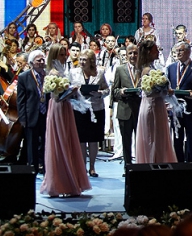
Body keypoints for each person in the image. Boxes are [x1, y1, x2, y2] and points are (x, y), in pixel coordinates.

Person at [39, 61, 91, 197]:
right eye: (61, 54)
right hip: (57, 109)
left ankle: (71, 180)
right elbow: (56, 98)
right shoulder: (51, 75)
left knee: (68, 141)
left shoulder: (64, 73)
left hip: (66, 109)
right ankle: (58, 183)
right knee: (59, 142)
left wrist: (72, 92)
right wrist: (68, 93)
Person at [135, 39, 176, 164]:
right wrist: (164, 91)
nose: (158, 52)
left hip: (157, 105)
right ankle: (153, 162)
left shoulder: (151, 67)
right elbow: (147, 91)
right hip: (151, 106)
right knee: (152, 137)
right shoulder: (147, 70)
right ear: (149, 52)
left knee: (158, 137)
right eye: (155, 50)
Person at [69, 49, 109, 177]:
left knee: (93, 139)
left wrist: (100, 94)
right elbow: (68, 90)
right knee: (81, 139)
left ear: (91, 61)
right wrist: (73, 92)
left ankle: (92, 167)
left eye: (84, 60)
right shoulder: (73, 72)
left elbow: (107, 89)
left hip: (96, 109)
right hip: (79, 109)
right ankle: (82, 167)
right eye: (80, 59)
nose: (81, 62)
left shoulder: (99, 72)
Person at [167, 41, 192, 168]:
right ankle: (178, 164)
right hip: (175, 109)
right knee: (177, 138)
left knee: (191, 139)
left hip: (191, 108)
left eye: (181, 50)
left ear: (188, 52)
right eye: (176, 51)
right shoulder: (171, 68)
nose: (178, 53)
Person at [112, 44, 141, 174]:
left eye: (135, 53)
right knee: (126, 142)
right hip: (125, 110)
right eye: (130, 53)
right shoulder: (120, 69)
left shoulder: (143, 69)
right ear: (126, 55)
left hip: (140, 110)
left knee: (141, 141)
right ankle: (128, 167)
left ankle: (141, 166)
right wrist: (121, 92)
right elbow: (114, 91)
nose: (133, 56)